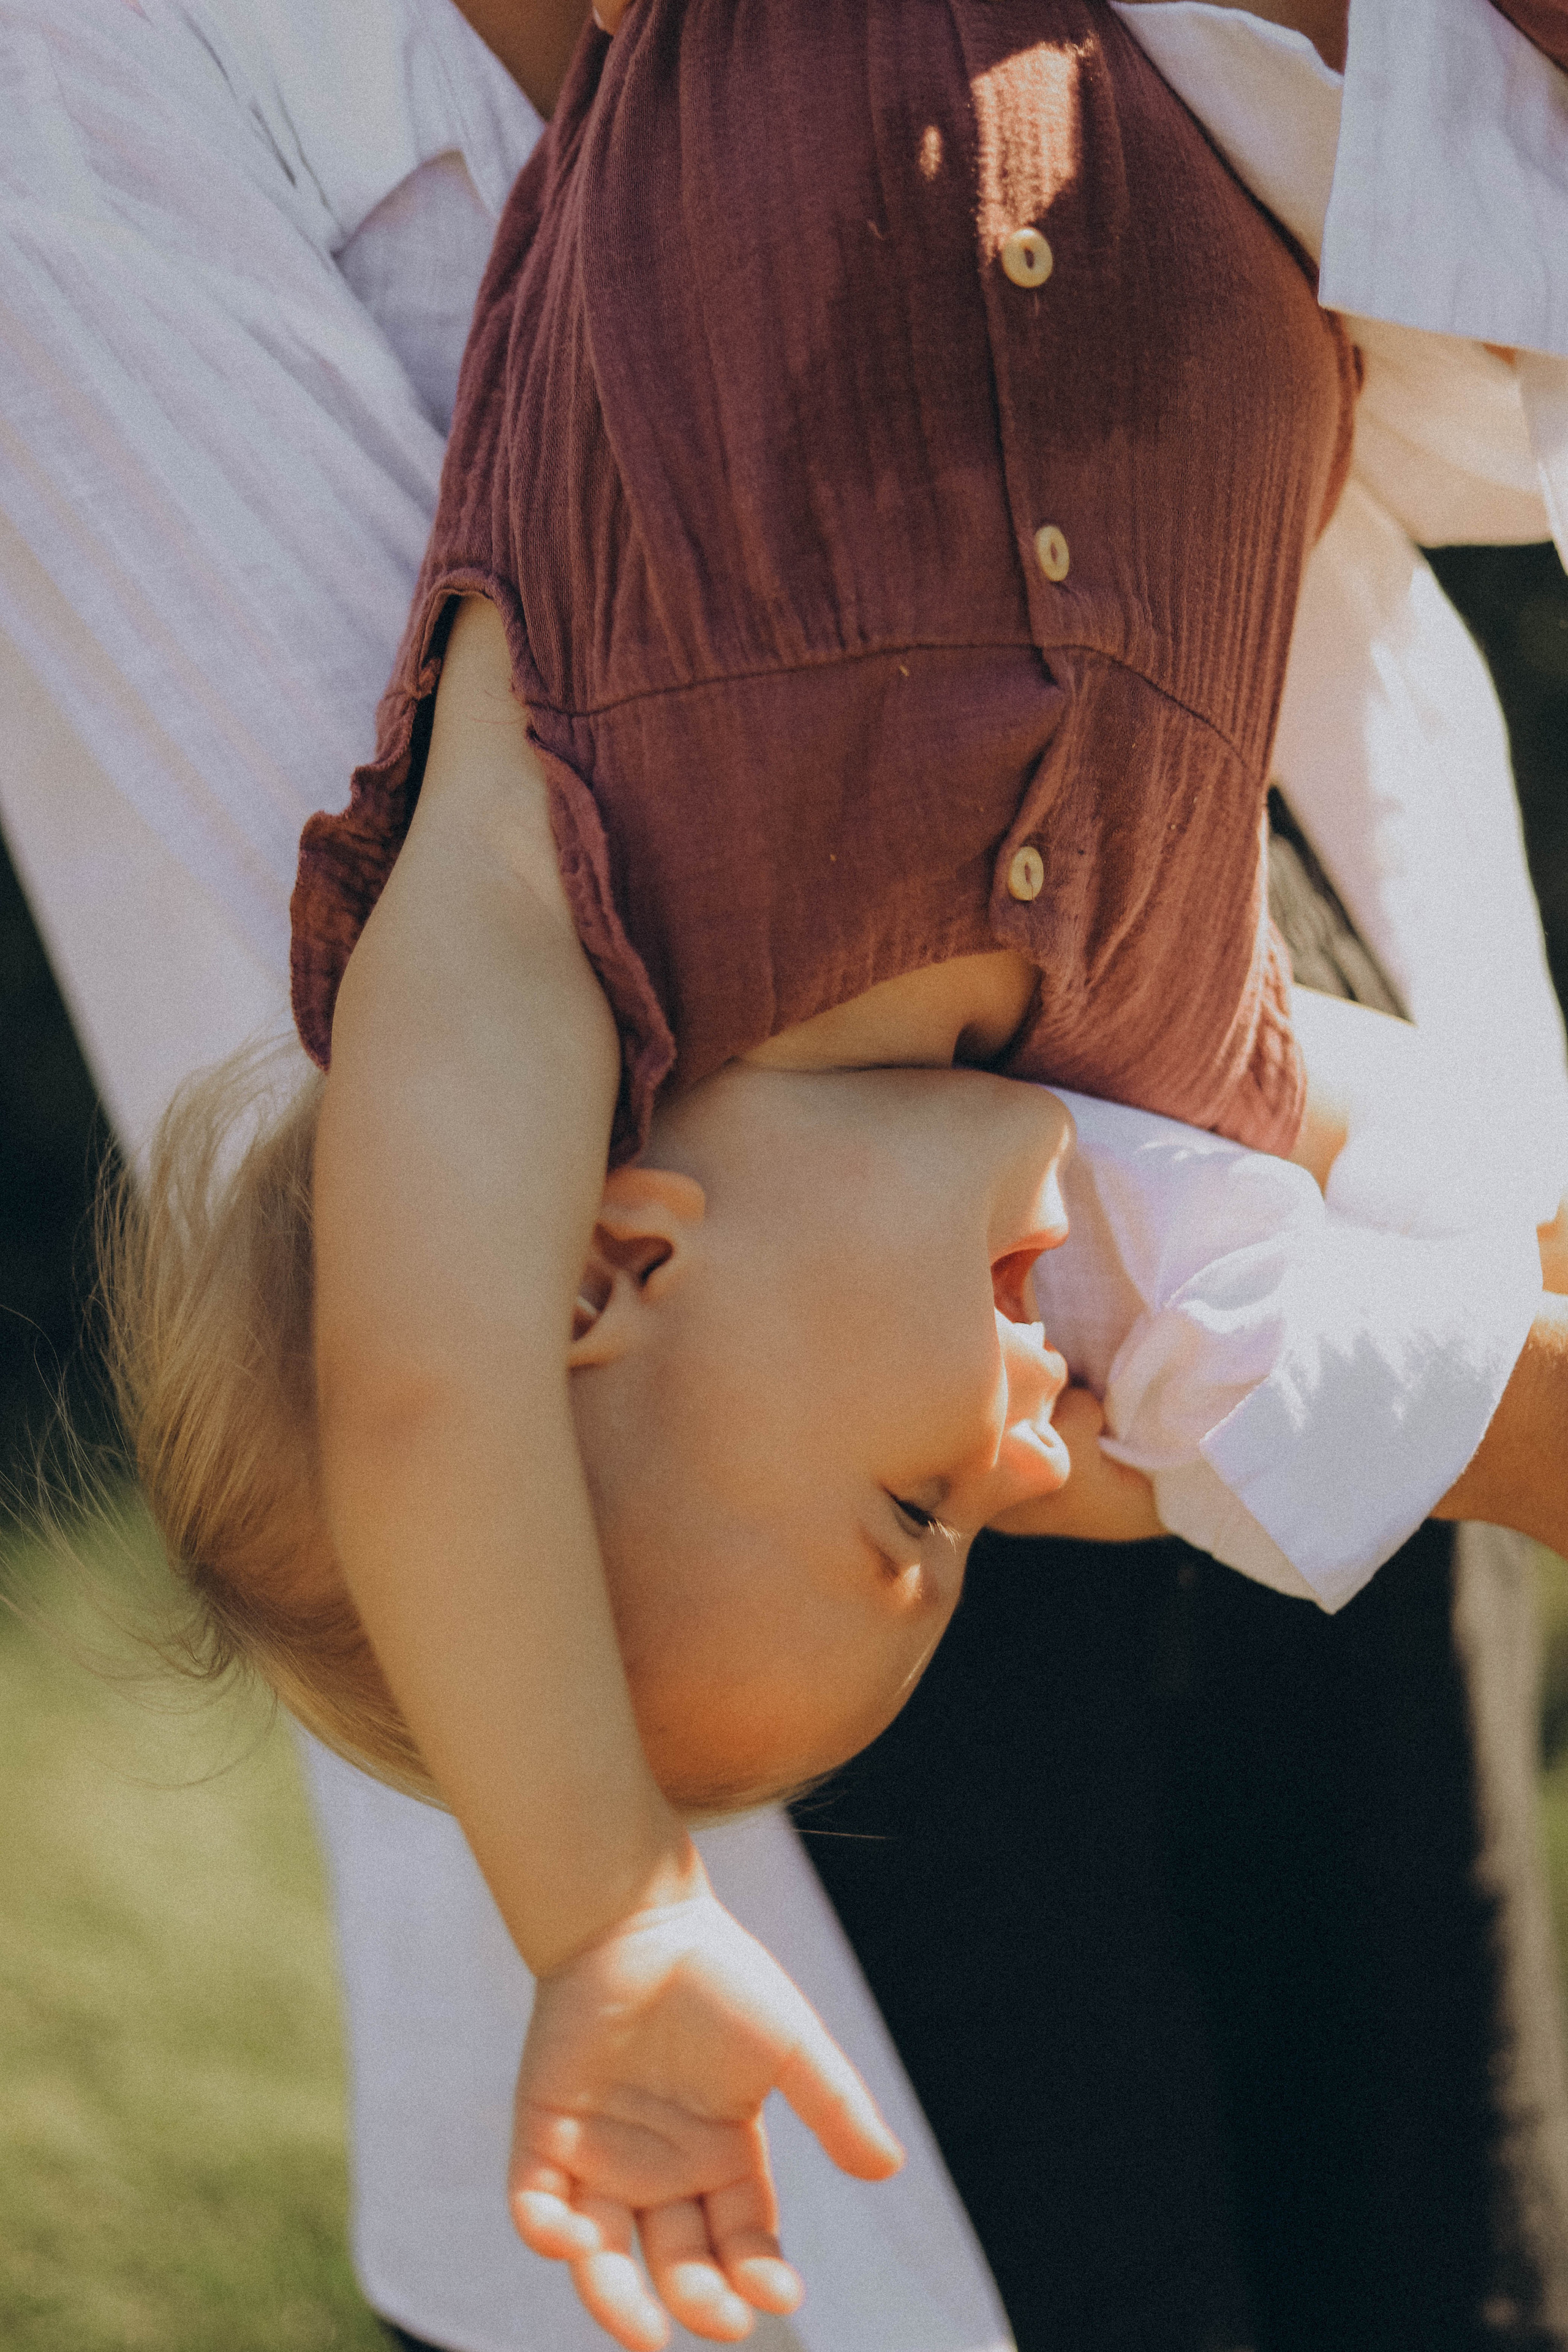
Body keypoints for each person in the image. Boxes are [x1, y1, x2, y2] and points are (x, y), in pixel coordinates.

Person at [7, 1, 1568, 2346]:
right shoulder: (1176, 1035)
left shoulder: (552, 894)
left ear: (606, 1255)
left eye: (917, 1516)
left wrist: (616, 1912)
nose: (1035, 1451)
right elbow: (1475, 1196)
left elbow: (429, 1390)